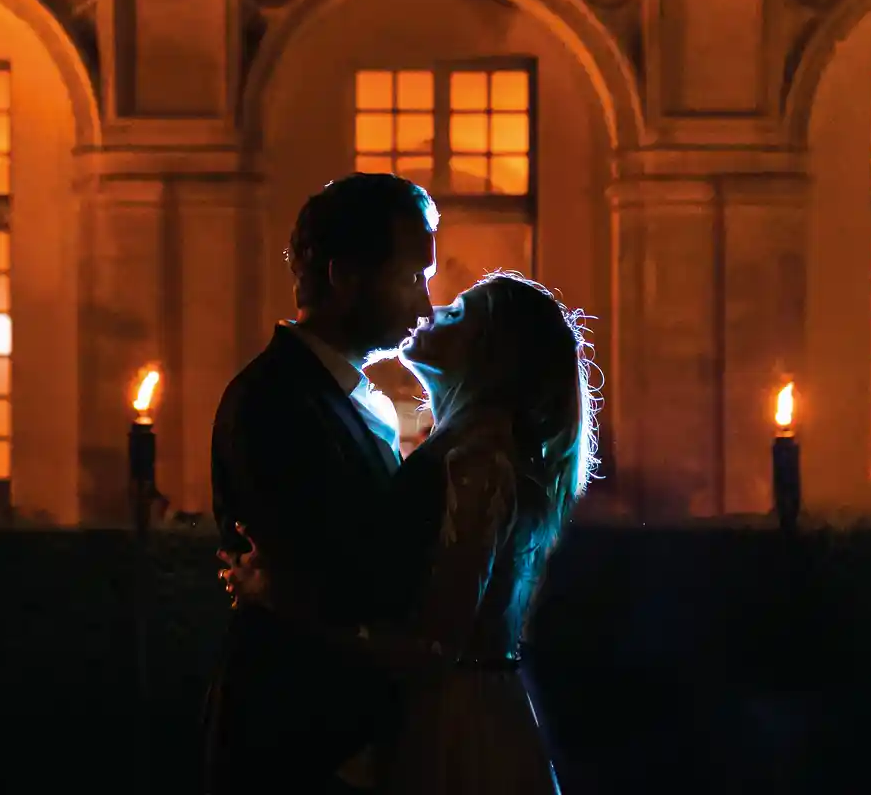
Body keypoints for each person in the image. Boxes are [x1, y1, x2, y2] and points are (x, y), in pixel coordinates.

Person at [223, 268, 600, 795]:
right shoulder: (466, 453)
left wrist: (285, 600)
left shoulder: (477, 465)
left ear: (490, 354)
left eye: (460, 313)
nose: (435, 309)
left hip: (455, 729)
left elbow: (433, 646)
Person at [203, 172, 440, 794]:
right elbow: (333, 578)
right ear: (345, 276)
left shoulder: (334, 394)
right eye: (413, 277)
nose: (425, 306)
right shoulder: (273, 402)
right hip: (302, 744)